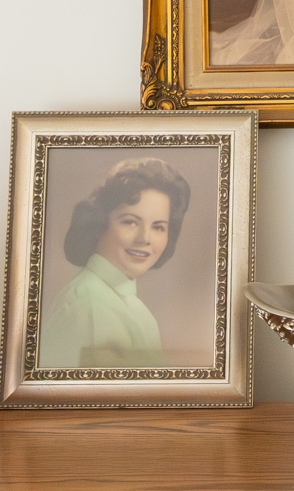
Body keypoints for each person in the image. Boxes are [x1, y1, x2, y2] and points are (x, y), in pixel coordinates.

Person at [40, 158, 191, 369]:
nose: (145, 238)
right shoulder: (91, 307)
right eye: (130, 222)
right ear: (99, 224)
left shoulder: (130, 305)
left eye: (158, 227)